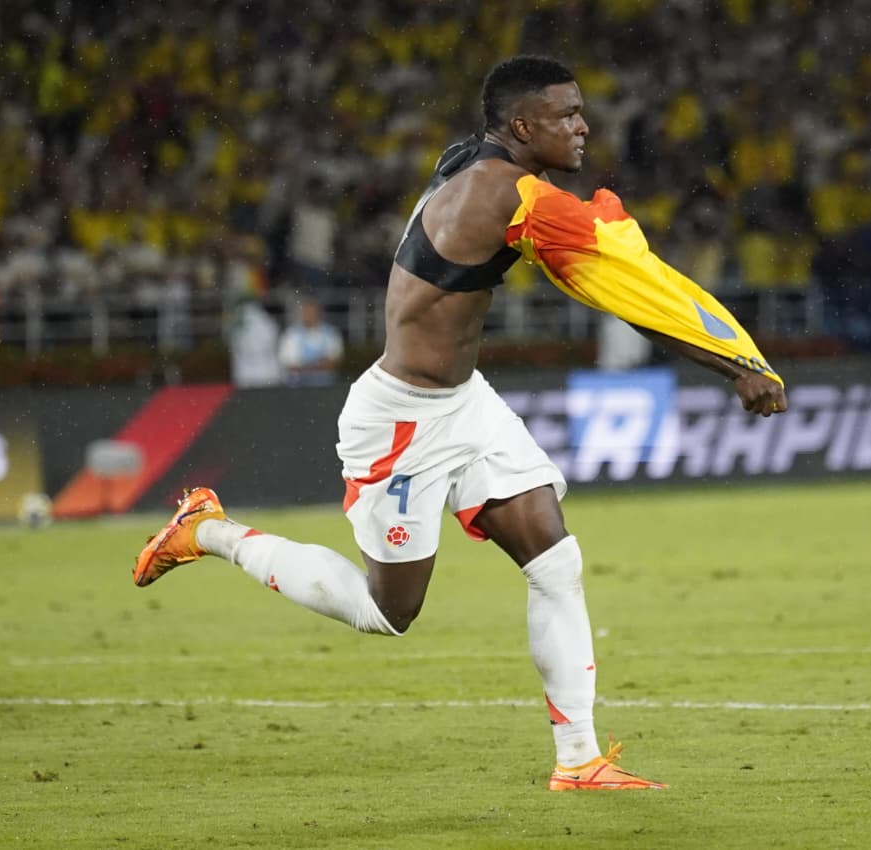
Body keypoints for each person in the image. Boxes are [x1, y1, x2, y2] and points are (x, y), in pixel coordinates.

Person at [133, 56, 787, 790]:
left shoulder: (472, 162)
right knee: (388, 613)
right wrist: (737, 365)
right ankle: (207, 531)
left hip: (464, 401)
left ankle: (578, 761)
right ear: (520, 126)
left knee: (555, 561)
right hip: (401, 421)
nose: (583, 127)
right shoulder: (509, 198)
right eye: (565, 115)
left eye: (581, 112)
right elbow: (629, 290)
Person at [277, 296, 344, 387]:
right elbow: (290, 365)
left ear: (319, 313)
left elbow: (333, 362)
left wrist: (307, 367)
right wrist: (317, 365)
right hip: (298, 384)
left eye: (312, 312)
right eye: (306, 312)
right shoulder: (291, 334)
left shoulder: (331, 333)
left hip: (324, 383)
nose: (309, 316)